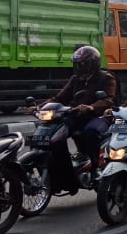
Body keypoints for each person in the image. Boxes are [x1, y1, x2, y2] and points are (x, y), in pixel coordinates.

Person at [34, 45, 116, 189]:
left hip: (98, 116)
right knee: (55, 134)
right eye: (77, 64)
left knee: (90, 132)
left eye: (83, 64)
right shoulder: (75, 79)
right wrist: (40, 107)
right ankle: (62, 172)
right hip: (76, 115)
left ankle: (95, 167)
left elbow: (108, 100)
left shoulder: (106, 77)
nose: (79, 67)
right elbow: (60, 97)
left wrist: (91, 107)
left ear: (92, 64)